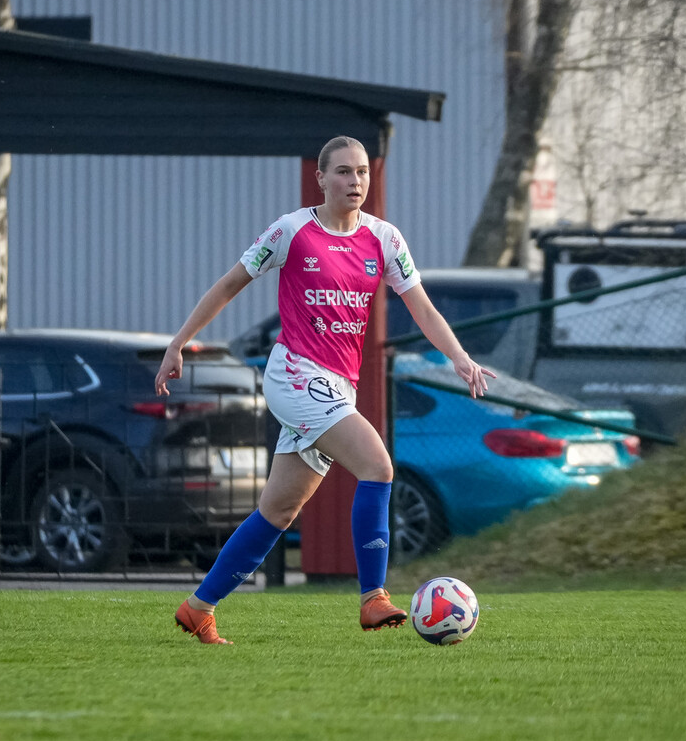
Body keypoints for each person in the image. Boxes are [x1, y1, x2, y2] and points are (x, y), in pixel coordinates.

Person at [155, 135, 494, 644]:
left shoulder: (384, 238)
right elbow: (229, 284)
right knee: (378, 466)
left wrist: (460, 357)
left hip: (338, 386)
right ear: (321, 178)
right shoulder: (291, 230)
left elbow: (421, 307)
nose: (355, 181)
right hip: (295, 373)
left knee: (279, 511)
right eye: (343, 171)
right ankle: (373, 597)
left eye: (362, 172)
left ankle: (198, 608)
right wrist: (178, 343)